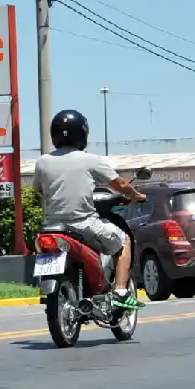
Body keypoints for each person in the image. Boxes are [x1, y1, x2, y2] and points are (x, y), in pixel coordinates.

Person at [33, 109, 146, 310]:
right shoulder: (90, 160)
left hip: (51, 228)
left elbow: (39, 191)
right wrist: (135, 196)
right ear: (82, 133)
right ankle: (120, 291)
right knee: (124, 241)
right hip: (83, 225)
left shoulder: (42, 162)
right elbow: (119, 183)